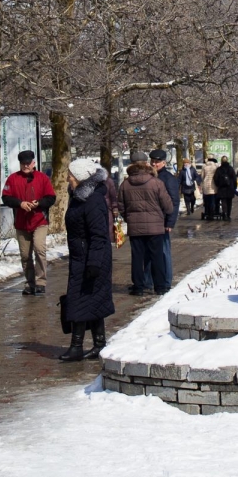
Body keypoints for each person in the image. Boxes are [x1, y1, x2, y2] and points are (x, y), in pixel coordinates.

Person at [60, 158, 115, 362]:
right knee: (92, 300)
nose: (67, 177)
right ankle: (98, 344)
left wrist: (93, 262)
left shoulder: (92, 200)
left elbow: (99, 235)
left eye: (71, 175)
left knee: (80, 300)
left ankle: (77, 346)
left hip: (91, 257)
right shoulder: (79, 197)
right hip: (81, 256)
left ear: (80, 178)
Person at [2, 150, 56, 296]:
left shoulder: (43, 178)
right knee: (25, 255)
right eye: (23, 164)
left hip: (39, 220)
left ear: (34, 163)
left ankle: (41, 282)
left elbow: (51, 198)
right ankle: (30, 283)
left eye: (28, 163)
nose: (26, 166)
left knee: (39, 249)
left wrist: (38, 203)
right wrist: (20, 203)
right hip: (21, 222)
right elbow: (6, 198)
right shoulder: (12, 179)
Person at [119, 154, 174, 295]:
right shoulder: (156, 183)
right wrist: (163, 216)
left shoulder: (125, 184)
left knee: (137, 257)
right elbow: (168, 206)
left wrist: (129, 218)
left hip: (135, 227)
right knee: (157, 257)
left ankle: (138, 287)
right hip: (155, 227)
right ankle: (160, 286)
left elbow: (121, 206)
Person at [151, 149, 180, 292]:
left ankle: (167, 281)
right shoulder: (151, 176)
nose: (154, 164)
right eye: (153, 161)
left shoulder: (168, 178)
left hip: (162, 221)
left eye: (157, 162)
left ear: (163, 162)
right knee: (151, 253)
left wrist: (170, 222)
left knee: (163, 251)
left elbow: (174, 201)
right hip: (152, 220)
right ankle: (149, 281)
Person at [214, 156, 237, 221]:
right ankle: (228, 215)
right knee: (229, 202)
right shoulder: (230, 169)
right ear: (227, 161)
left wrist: (218, 185)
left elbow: (215, 178)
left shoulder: (219, 169)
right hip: (230, 187)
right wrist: (234, 187)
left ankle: (225, 214)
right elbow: (234, 178)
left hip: (222, 188)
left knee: (223, 201)